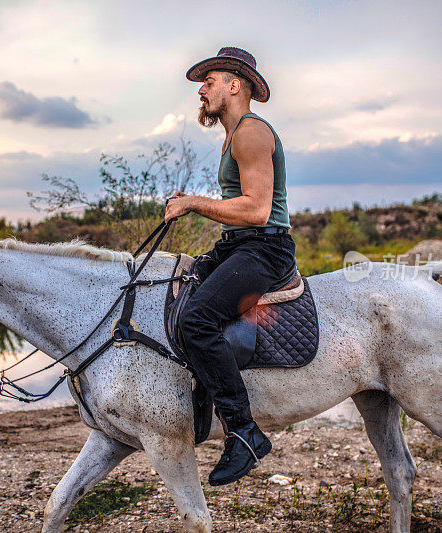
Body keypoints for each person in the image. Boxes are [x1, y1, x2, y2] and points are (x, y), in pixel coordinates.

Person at [164, 46, 296, 486]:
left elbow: (258, 210)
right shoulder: (232, 134)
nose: (202, 90)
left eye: (210, 81)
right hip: (239, 244)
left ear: (235, 85)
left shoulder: (251, 133)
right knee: (176, 288)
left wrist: (193, 204)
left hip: (264, 248)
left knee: (199, 319)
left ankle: (244, 431)